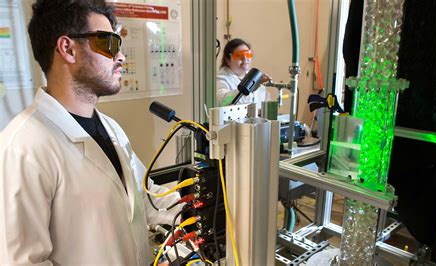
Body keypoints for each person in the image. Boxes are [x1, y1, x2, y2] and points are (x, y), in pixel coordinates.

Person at [0, 0, 179, 264]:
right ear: (68, 49)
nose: (121, 56)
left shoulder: (111, 128)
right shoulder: (24, 147)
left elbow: (146, 197)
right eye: (108, 43)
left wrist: (205, 202)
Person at [216, 38, 271, 109]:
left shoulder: (254, 76)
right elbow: (223, 101)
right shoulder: (222, 79)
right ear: (227, 60)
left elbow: (266, 101)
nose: (245, 58)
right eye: (239, 55)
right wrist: (249, 88)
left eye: (248, 54)